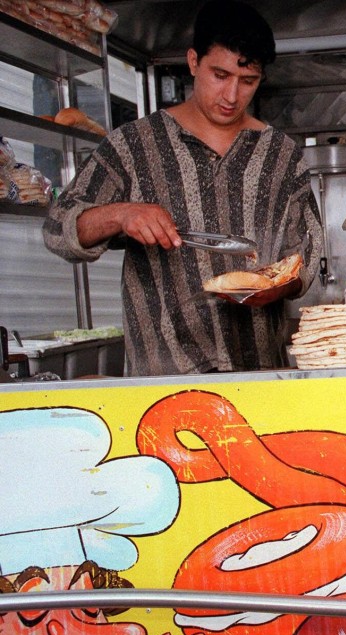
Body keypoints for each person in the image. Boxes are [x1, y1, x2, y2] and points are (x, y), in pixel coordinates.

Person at [43, 0, 324, 376]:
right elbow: (58, 229)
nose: (231, 96)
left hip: (259, 377)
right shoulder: (134, 146)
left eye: (247, 82)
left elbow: (307, 250)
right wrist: (121, 214)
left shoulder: (282, 156)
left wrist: (281, 286)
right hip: (163, 378)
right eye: (219, 75)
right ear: (193, 61)